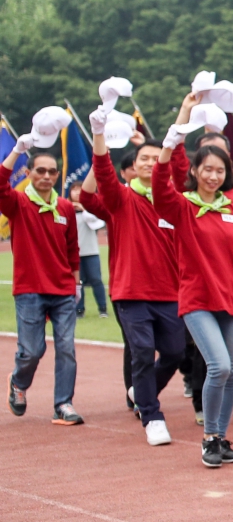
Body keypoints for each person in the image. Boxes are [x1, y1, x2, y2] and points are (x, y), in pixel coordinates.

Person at [153, 95, 233, 468]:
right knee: (219, 367)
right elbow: (160, 178)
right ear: (196, 171)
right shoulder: (182, 207)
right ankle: (208, 439)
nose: (213, 175)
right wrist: (182, 118)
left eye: (220, 170)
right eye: (207, 169)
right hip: (198, 301)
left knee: (230, 372)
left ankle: (219, 437)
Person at [82, 113, 182, 446]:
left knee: (175, 352)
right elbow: (103, 172)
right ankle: (152, 415)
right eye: (144, 159)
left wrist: (181, 119)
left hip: (170, 291)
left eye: (156, 159)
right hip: (131, 291)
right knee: (141, 351)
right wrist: (99, 133)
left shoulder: (173, 200)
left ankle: (142, 390)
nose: (150, 163)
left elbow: (179, 163)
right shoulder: (121, 199)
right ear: (134, 165)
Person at [1, 143, 81, 424]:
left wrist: (77, 284)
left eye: (52, 172)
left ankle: (63, 403)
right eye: (40, 171)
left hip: (63, 290)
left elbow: (72, 248)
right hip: (30, 289)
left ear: (58, 175)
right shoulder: (19, 203)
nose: (46, 176)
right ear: (29, 172)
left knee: (67, 347)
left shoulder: (66, 207)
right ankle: (19, 383)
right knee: (32, 350)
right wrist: (16, 151)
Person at [70, 187, 107, 319]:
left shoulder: (90, 211)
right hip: (75, 253)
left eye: (80, 190)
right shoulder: (68, 211)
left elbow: (96, 224)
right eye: (74, 190)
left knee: (96, 280)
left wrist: (83, 208)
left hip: (91, 252)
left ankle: (103, 308)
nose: (77, 192)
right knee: (78, 282)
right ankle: (79, 309)